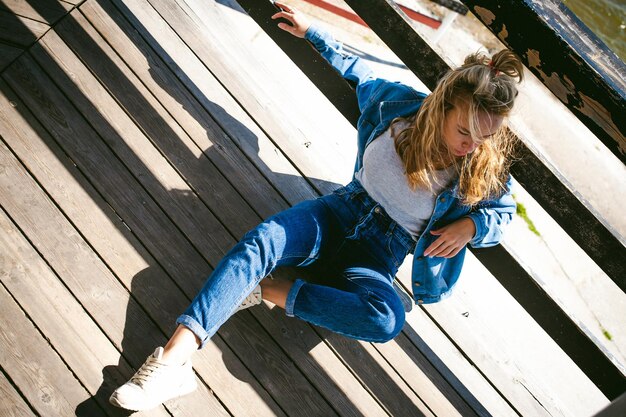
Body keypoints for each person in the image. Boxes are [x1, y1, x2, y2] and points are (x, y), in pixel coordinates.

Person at [110, 2, 523, 411]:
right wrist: (313, 31)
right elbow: (357, 68)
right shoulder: (399, 106)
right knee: (263, 241)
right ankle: (172, 362)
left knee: (386, 319)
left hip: (378, 255)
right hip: (336, 213)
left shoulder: (483, 167)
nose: (470, 145)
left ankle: (269, 288)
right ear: (444, 105)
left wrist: (470, 228)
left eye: (484, 138)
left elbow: (504, 215)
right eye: (464, 131)